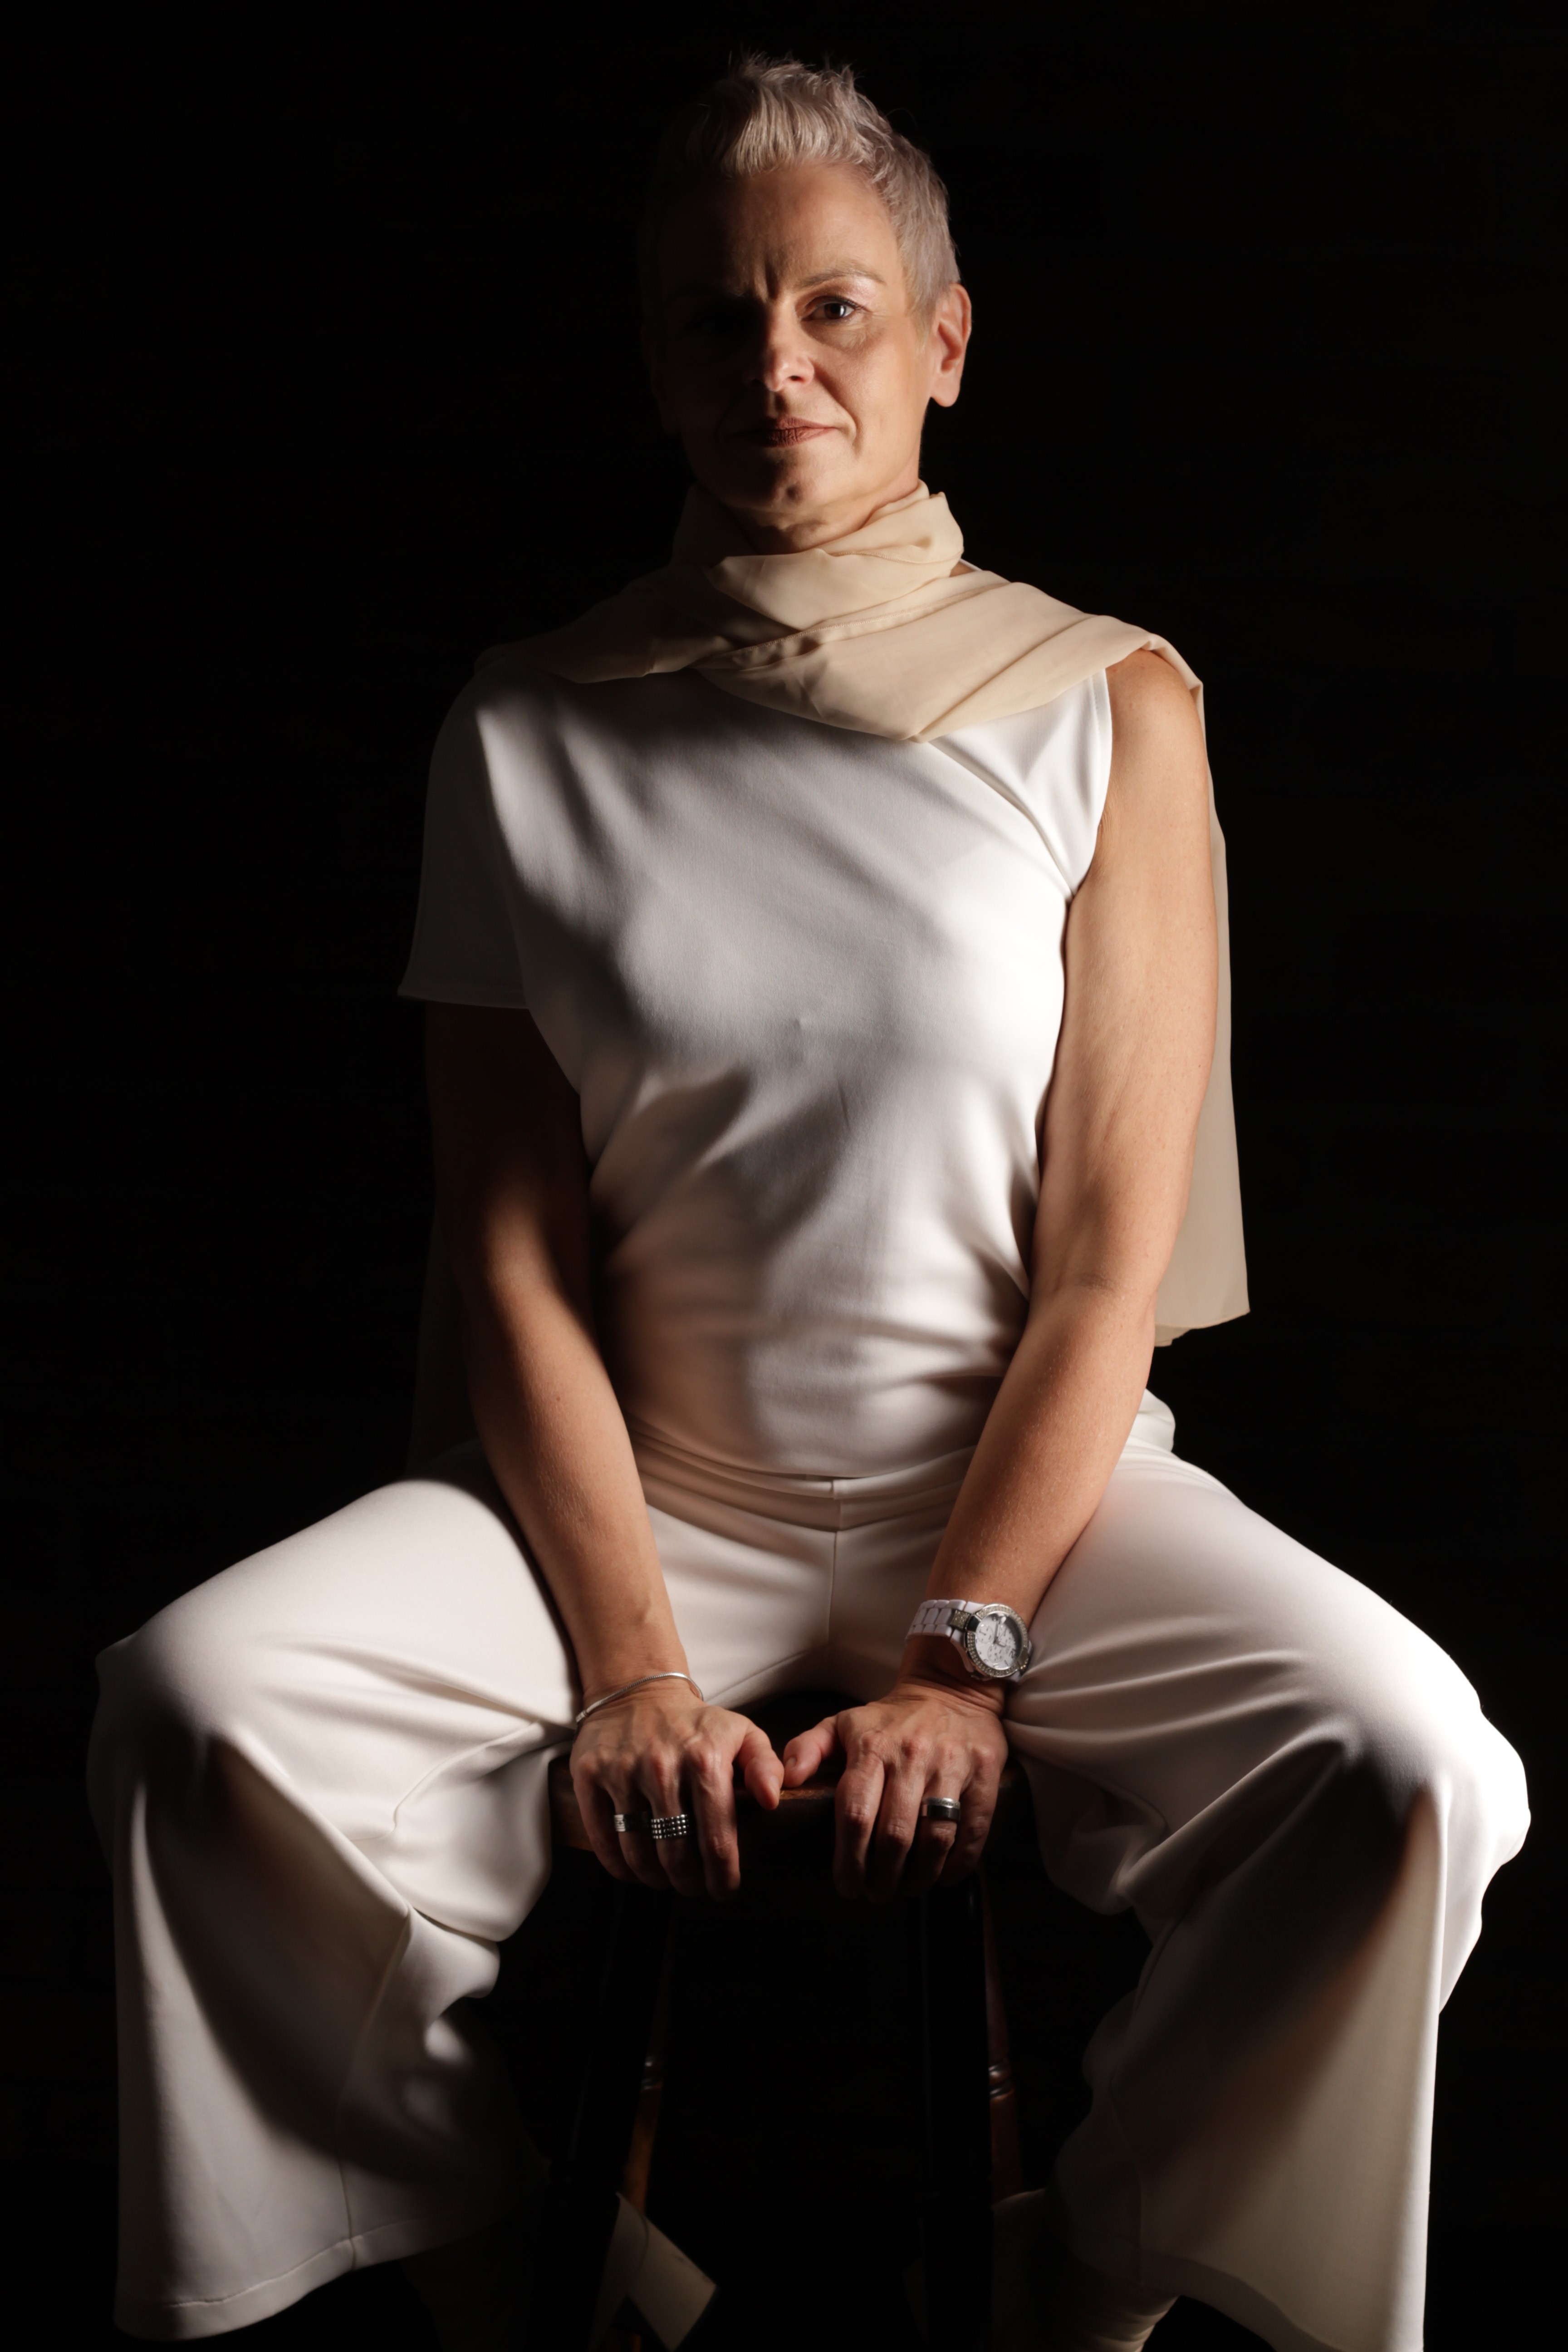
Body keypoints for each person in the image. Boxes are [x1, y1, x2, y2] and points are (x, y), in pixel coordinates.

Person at [88, 54, 1527, 2352]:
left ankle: (1104, 2259)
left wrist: (970, 1656)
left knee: (1410, 1761)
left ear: (943, 344)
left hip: (1032, 1498)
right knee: (187, 1707)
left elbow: (1105, 1270)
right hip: (648, 1500)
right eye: (711, 320)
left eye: (836, 310)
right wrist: (636, 1662)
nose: (777, 367)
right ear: (653, 358)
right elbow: (513, 1266)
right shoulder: (526, 728)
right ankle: (519, 2260)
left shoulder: (1109, 705)